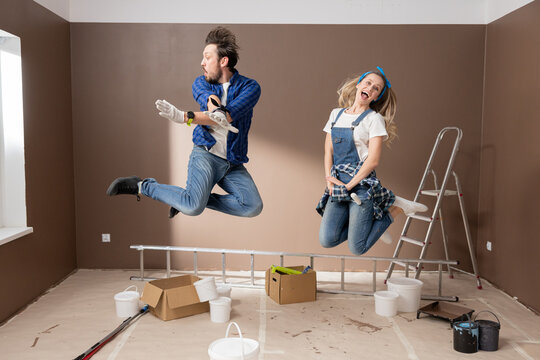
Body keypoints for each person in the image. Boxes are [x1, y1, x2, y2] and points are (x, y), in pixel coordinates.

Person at [106, 26, 263, 219]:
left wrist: (185, 117)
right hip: (206, 155)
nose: (202, 63)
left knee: (252, 206)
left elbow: (229, 115)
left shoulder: (250, 87)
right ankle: (142, 186)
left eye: (207, 57)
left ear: (223, 61)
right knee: (193, 207)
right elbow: (208, 98)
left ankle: (182, 199)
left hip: (233, 162)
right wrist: (212, 111)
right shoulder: (201, 82)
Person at [317, 67, 427, 255]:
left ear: (376, 97)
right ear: (359, 84)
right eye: (368, 83)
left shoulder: (374, 119)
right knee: (327, 240)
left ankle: (393, 211)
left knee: (357, 248)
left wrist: (349, 185)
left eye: (376, 88)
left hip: (361, 185)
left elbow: (373, 161)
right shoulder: (336, 114)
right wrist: (329, 180)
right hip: (337, 183)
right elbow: (328, 151)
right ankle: (372, 225)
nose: (371, 88)